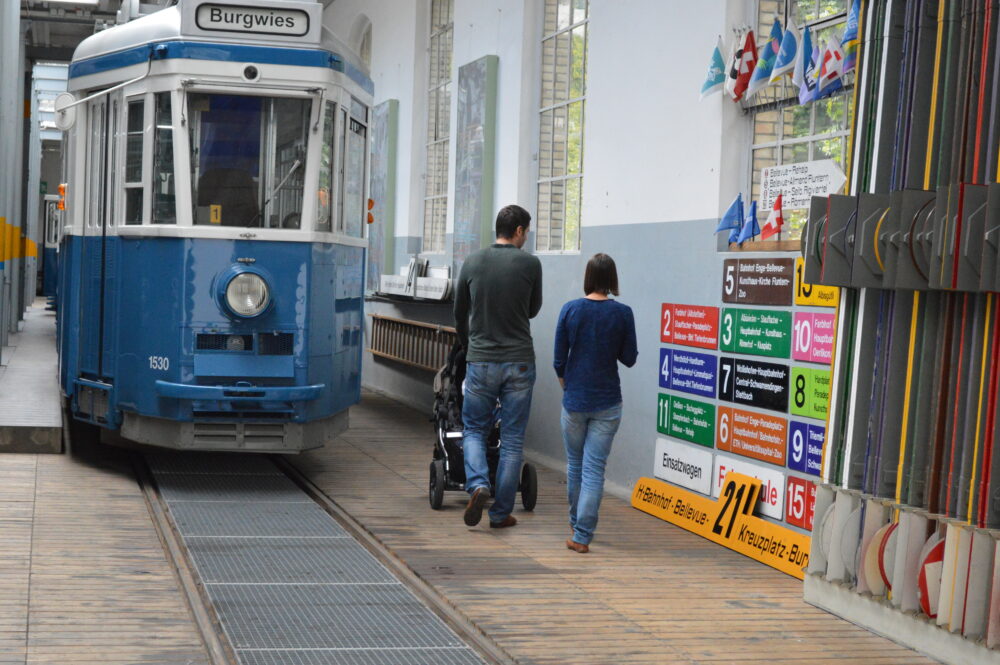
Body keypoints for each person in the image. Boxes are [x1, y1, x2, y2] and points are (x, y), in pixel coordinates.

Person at [453, 204, 543, 529]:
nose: (526, 238)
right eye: (527, 232)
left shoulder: (473, 261)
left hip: (481, 360)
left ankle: (478, 484)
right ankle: (500, 512)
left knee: (475, 429)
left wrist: (468, 345)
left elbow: (459, 311)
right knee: (513, 438)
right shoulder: (531, 264)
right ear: (518, 230)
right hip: (519, 361)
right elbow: (533, 309)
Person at [553, 253, 637, 553]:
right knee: (593, 470)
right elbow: (629, 359)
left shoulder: (570, 310)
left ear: (588, 277)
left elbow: (558, 360)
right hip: (608, 402)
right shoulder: (623, 313)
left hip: (575, 400)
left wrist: (567, 386)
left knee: (576, 466)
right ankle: (582, 533)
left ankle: (577, 528)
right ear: (612, 279)